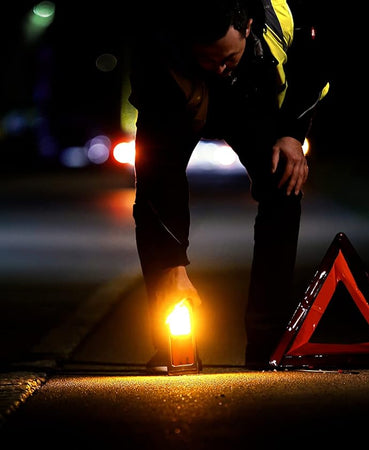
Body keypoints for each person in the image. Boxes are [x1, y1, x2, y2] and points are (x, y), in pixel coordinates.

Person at [126, 0, 329, 371]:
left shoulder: (280, 19)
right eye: (210, 60)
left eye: (228, 58)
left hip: (252, 100)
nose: (220, 69)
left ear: (248, 27)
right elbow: (159, 178)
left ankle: (267, 342)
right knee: (150, 204)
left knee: (284, 185)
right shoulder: (156, 52)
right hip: (180, 100)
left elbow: (315, 71)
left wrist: (291, 133)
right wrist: (172, 265)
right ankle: (173, 347)